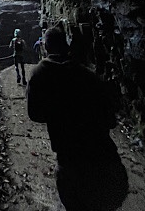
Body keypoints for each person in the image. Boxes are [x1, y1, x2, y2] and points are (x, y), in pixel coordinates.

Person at [27, 27, 128, 211]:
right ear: (66, 45)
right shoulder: (89, 75)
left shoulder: (39, 74)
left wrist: (59, 113)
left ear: (46, 47)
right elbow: (110, 119)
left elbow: (35, 114)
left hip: (70, 159)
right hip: (103, 156)